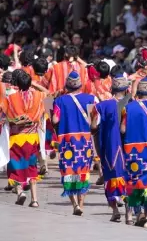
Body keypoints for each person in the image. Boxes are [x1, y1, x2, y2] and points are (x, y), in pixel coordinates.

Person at [52, 71, 97, 216]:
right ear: (80, 85)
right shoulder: (90, 99)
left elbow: (55, 120)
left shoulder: (60, 101)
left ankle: (75, 205)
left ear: (67, 86)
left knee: (69, 172)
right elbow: (97, 118)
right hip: (84, 141)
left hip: (67, 141)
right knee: (83, 172)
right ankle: (81, 204)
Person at [121, 77, 147, 228]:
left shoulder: (129, 107)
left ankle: (136, 213)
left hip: (133, 151)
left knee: (134, 182)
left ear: (138, 92)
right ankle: (145, 215)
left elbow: (123, 129)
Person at [1, 70, 45, 207]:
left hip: (17, 139)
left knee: (16, 167)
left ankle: (20, 192)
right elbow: (49, 95)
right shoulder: (39, 96)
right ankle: (35, 200)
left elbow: (4, 116)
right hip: (33, 138)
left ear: (17, 84)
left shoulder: (10, 98)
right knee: (32, 167)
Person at [91, 73, 130, 222]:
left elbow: (94, 125)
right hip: (129, 149)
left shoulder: (100, 106)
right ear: (126, 90)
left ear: (112, 89)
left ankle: (115, 212)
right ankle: (129, 212)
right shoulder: (131, 105)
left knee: (111, 179)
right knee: (127, 178)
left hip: (110, 148)